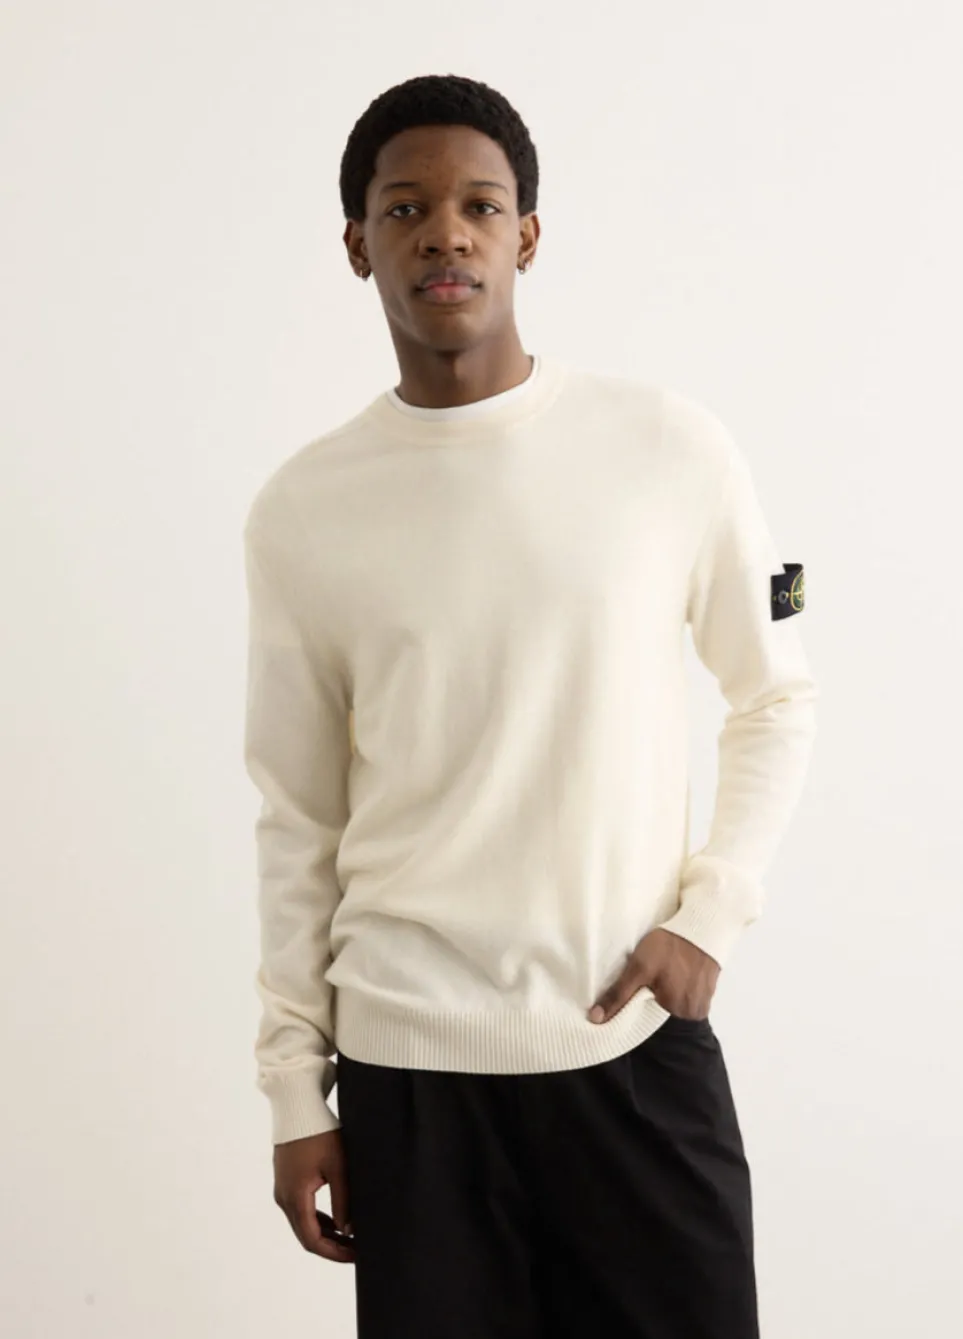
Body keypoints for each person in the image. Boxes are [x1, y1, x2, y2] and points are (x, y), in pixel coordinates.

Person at [241, 72, 817, 1339]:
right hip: (408, 1079)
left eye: (479, 206)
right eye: (405, 208)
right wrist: (295, 1092)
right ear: (358, 245)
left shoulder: (667, 448)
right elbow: (297, 815)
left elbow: (775, 698)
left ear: (526, 236)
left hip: (631, 1048)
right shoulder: (304, 509)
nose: (444, 232)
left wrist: (711, 915)